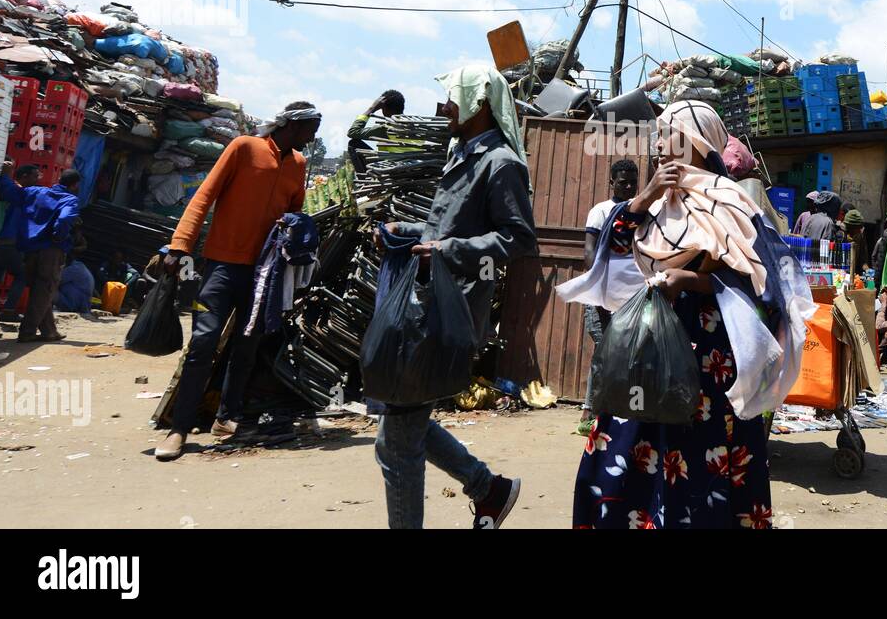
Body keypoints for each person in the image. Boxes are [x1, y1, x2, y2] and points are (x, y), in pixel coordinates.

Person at [565, 100, 812, 529]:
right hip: (648, 356)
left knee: (697, 464)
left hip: (706, 366)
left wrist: (692, 281)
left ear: (697, 143)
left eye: (670, 134)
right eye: (658, 135)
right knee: (627, 453)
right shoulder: (654, 205)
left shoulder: (732, 203)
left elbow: (763, 290)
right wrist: (645, 197)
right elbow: (610, 260)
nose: (659, 144)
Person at [373, 65, 536, 530]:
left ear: (478, 104)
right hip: (432, 304)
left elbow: (518, 239)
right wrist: (405, 234)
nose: (443, 106)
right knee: (401, 428)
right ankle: (489, 488)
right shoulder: (461, 153)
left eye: (450, 99)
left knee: (398, 438)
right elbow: (441, 230)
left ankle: (487, 489)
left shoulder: (500, 163)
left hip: (454, 309)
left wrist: (445, 251)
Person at [154, 101, 321, 462]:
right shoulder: (244, 148)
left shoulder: (298, 164)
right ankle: (178, 428)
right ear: (292, 124)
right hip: (221, 266)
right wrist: (181, 244)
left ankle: (226, 418)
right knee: (203, 342)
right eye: (312, 129)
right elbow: (204, 197)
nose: (314, 137)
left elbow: (295, 212)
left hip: (265, 271)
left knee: (248, 343)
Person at [578, 158, 641, 434]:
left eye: (632, 182)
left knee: (623, 355)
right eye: (622, 181)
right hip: (602, 296)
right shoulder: (601, 212)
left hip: (632, 297)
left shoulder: (640, 211)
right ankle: (591, 413)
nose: (628, 186)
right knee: (606, 353)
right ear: (611, 182)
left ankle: (607, 413)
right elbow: (589, 255)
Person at [16, 168, 82, 344]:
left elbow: (18, 189)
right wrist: (59, 236)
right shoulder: (69, 199)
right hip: (51, 250)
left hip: (30, 247)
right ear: (75, 185)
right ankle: (27, 331)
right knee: (44, 290)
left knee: (40, 290)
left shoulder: (37, 191)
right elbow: (64, 219)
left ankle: (49, 331)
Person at [0, 161, 40, 331]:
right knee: (21, 275)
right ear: (24, 177)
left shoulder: (19, 192)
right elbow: (11, 189)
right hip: (9, 245)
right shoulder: (21, 194)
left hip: (0, 244)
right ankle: (9, 310)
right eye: (34, 175)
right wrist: (6, 174)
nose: (37, 179)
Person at [347, 90, 406, 173]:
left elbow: (353, 132)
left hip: (392, 170)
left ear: (384, 107)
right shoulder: (417, 126)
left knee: (353, 143)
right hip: (414, 167)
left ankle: (365, 179)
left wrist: (371, 109)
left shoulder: (388, 128)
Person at [840, 208, 871, 273]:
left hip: (855, 275)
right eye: (858, 228)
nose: (860, 230)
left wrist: (868, 271)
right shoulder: (840, 236)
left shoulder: (860, 236)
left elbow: (863, 260)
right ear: (851, 227)